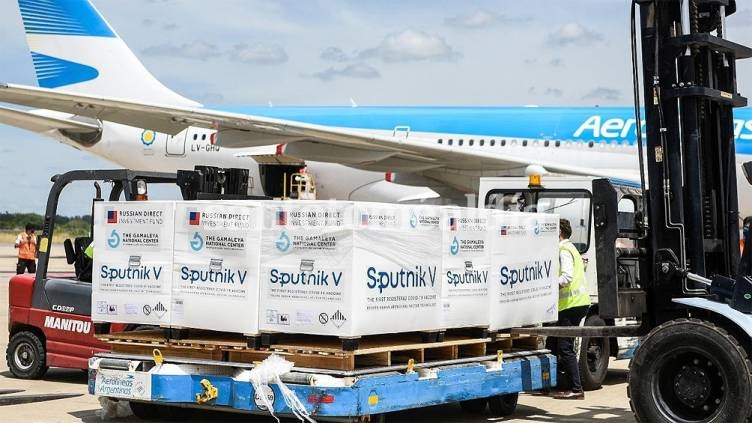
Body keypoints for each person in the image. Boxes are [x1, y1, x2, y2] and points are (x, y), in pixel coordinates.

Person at [552, 218, 591, 400]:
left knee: (565, 347)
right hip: (576, 303)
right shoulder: (572, 248)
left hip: (571, 304)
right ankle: (554, 383)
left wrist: (549, 285)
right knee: (553, 343)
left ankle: (576, 389)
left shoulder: (564, 250)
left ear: (559, 231)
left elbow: (566, 277)